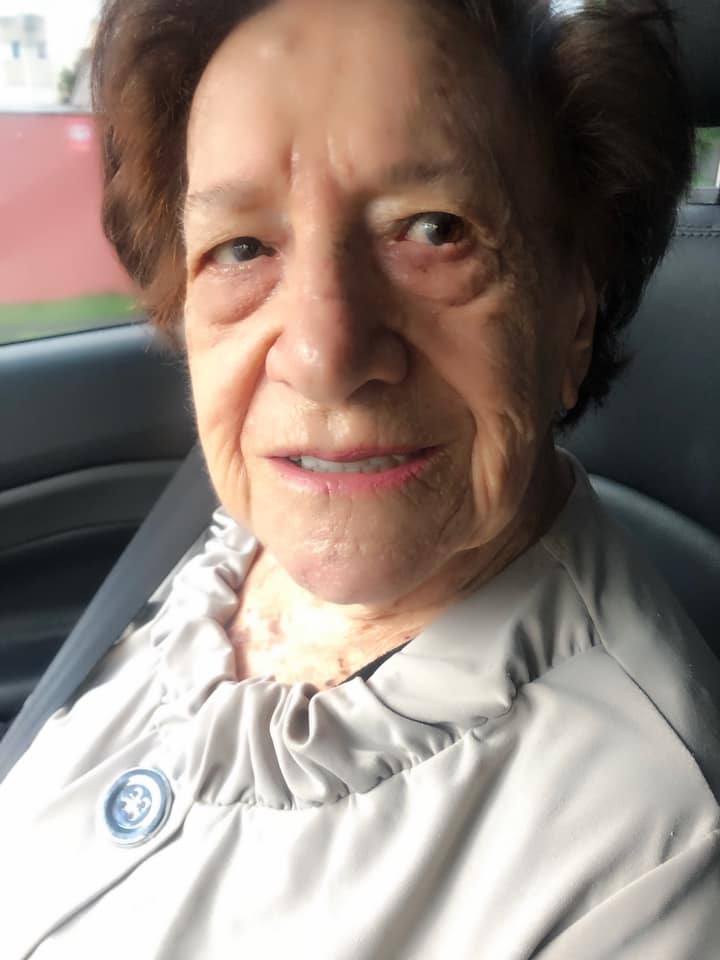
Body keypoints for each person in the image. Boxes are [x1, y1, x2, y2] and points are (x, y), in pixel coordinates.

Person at [2, 0, 719, 956]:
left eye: (433, 230)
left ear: (572, 318)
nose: (322, 355)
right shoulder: (223, 539)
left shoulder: (650, 862)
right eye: (243, 248)